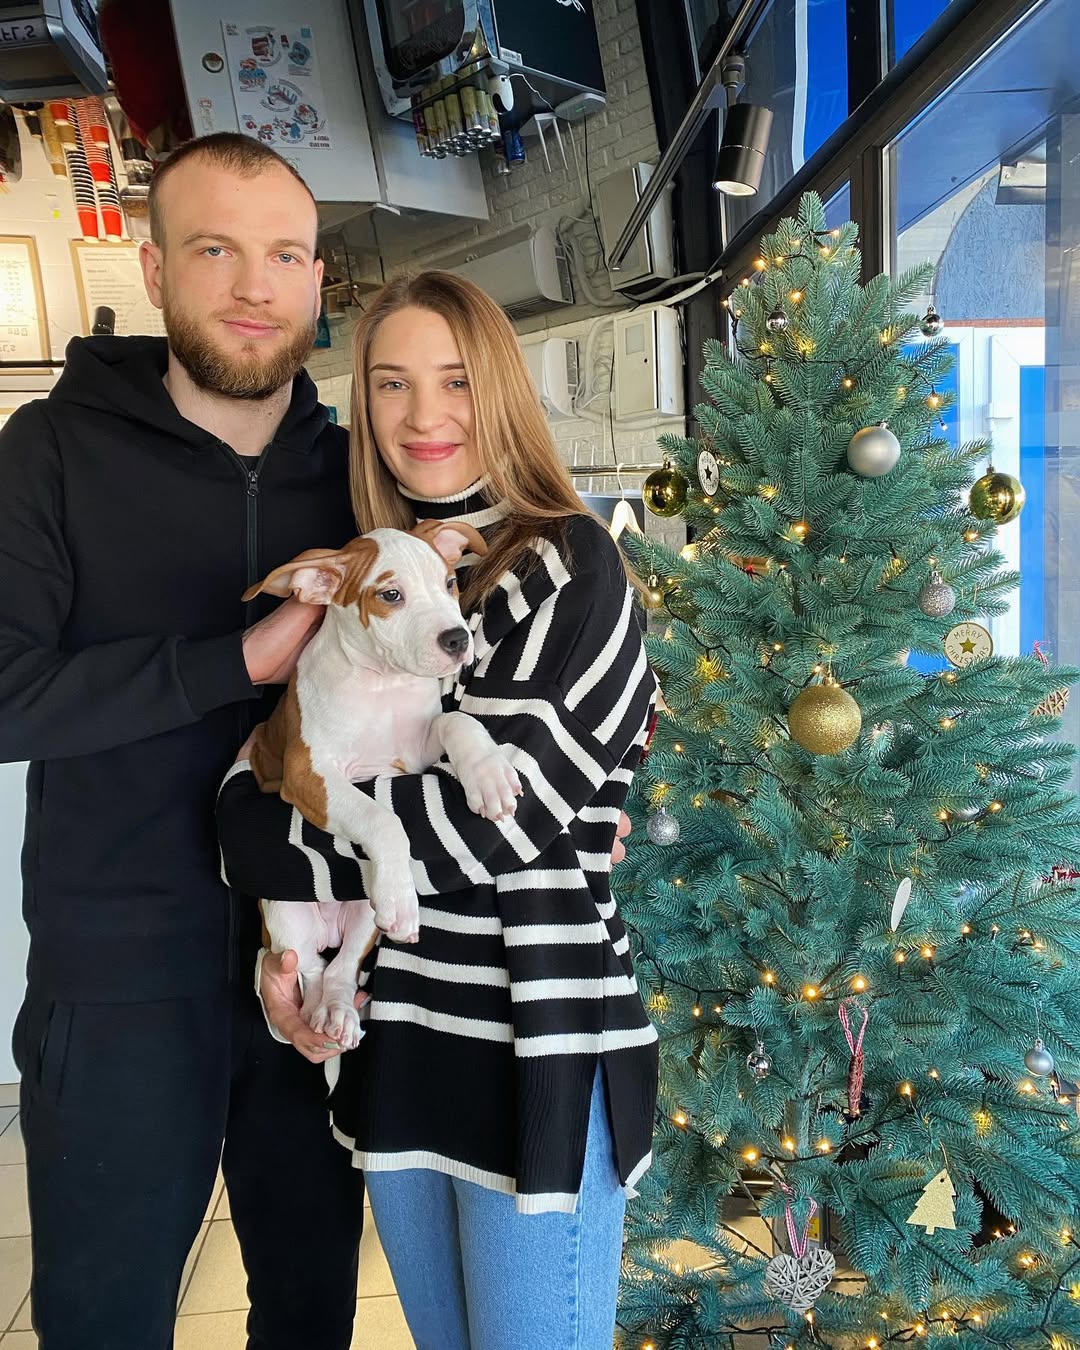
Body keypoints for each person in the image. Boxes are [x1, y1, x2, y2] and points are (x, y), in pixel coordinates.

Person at [217, 272, 660, 1350]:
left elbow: (485, 827)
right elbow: (256, 781)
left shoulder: (572, 566)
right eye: (390, 384)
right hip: (401, 1043)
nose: (423, 416)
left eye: (455, 381)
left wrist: (269, 835)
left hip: (533, 1048)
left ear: (501, 387)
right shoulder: (385, 566)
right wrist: (263, 826)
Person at [0, 133, 365, 1350]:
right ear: (155, 272)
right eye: (215, 250)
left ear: (319, 280)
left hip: (309, 966)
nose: (254, 285)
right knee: (105, 1323)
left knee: (311, 1311)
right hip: (118, 987)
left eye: (284, 255)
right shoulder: (49, 455)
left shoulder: (356, 473)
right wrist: (236, 661)